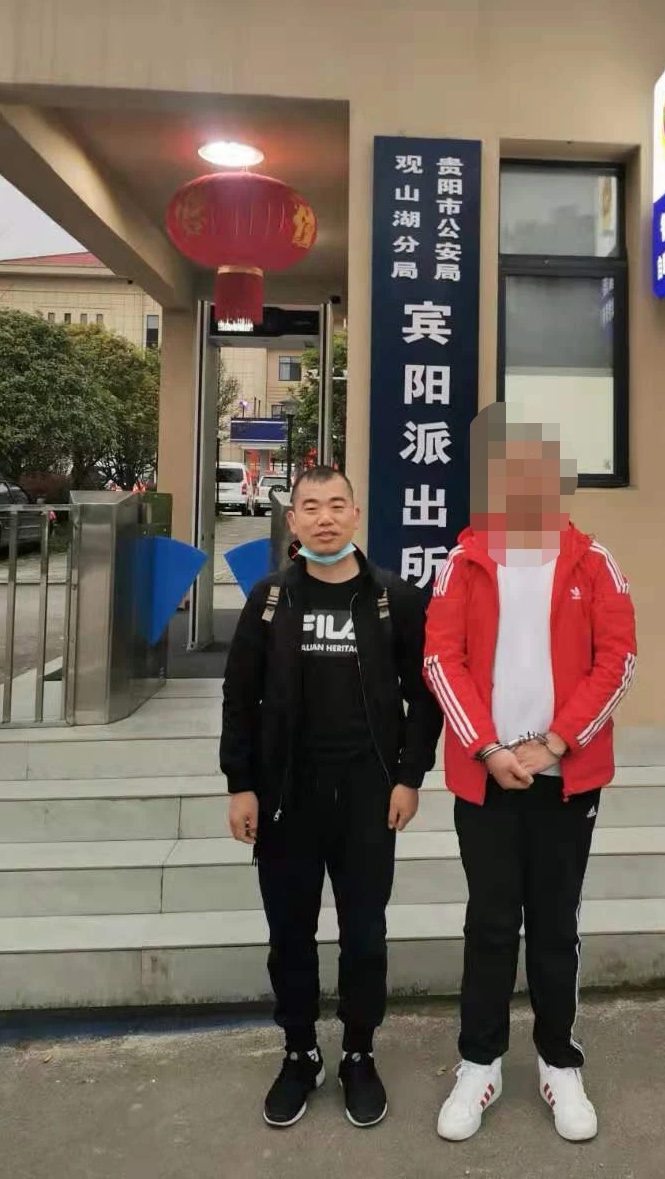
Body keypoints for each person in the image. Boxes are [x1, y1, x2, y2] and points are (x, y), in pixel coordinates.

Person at [425, 405, 637, 1145]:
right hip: (485, 776)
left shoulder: (593, 561)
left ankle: (559, 1061)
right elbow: (440, 659)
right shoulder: (462, 561)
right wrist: (487, 748)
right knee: (490, 921)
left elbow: (618, 661)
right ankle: (479, 1062)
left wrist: (555, 744)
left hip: (565, 778)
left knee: (554, 923)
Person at [220, 466, 442, 1130]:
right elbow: (239, 697)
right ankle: (300, 1053)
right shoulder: (270, 600)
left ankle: (358, 1053)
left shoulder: (393, 599)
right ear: (293, 521)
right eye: (310, 507)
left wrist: (409, 777)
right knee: (289, 936)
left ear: (355, 515)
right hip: (286, 800)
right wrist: (240, 784)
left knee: (364, 936)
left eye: (336, 505)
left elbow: (425, 698)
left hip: (368, 799)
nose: (324, 518)